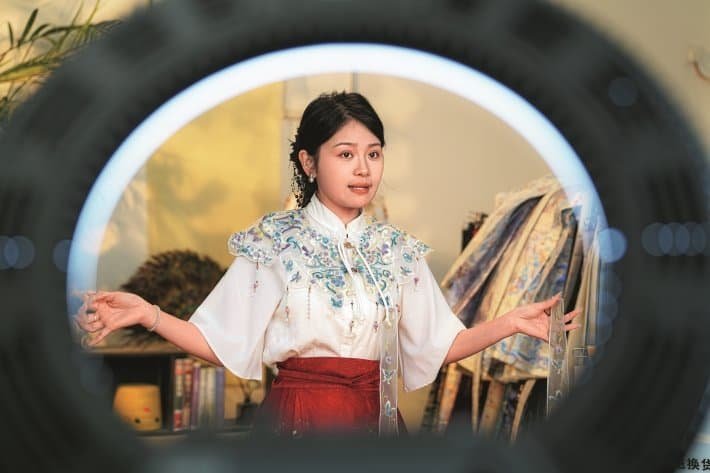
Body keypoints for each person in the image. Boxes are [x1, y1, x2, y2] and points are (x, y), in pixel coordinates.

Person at [76, 91, 580, 437]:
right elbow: (221, 340)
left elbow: (437, 345)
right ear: (309, 162)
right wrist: (148, 314)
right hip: (297, 422)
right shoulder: (274, 241)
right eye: (345, 154)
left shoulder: (397, 249)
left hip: (377, 422)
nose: (363, 169)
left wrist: (509, 323)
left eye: (374, 154)